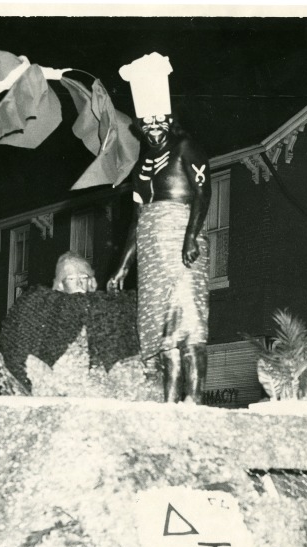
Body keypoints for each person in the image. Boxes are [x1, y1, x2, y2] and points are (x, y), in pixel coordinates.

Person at [108, 54, 212, 404]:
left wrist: (191, 236)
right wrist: (123, 265)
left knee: (190, 325)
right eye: (145, 123)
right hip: (152, 250)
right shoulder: (142, 164)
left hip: (181, 240)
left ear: (169, 119)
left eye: (158, 121)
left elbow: (202, 192)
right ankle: (168, 401)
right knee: (163, 332)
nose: (152, 128)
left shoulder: (186, 148)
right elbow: (138, 218)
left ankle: (194, 399)